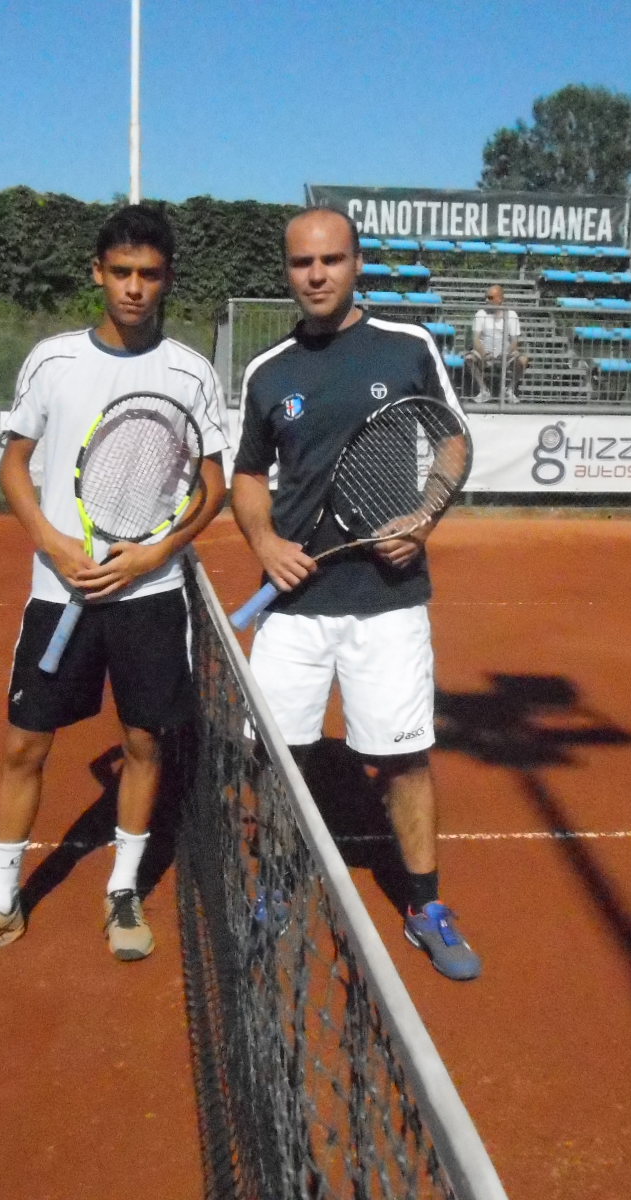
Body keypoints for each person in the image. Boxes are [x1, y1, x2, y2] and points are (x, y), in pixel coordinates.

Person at [0, 205, 229, 970]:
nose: (134, 288)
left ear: (167, 279)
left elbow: (212, 488)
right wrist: (53, 541)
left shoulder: (190, 372)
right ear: (97, 273)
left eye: (149, 274)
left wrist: (153, 554)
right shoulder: (52, 361)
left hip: (151, 596)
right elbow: (13, 464)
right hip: (58, 592)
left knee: (144, 742)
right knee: (25, 744)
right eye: (121, 272)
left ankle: (122, 889)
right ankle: (0, 904)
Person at [229, 206, 481, 981]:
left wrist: (427, 514)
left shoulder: (408, 347)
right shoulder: (267, 371)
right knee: (278, 759)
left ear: (357, 263)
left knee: (402, 760)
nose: (316, 274)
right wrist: (265, 544)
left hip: (388, 601)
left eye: (331, 260)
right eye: (302, 262)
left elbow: (453, 440)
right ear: (287, 271)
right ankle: (278, 882)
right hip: (293, 608)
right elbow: (247, 475)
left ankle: (426, 906)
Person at [466, 284, 528, 400]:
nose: (486, 300)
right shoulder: (480, 314)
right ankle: (484, 390)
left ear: (500, 299)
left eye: (490, 297)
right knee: (469, 359)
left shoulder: (511, 315)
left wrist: (505, 354)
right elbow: (476, 339)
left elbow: (514, 341)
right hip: (485, 353)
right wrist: (484, 354)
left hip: (505, 354)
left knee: (523, 360)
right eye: (486, 297)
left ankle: (509, 390)